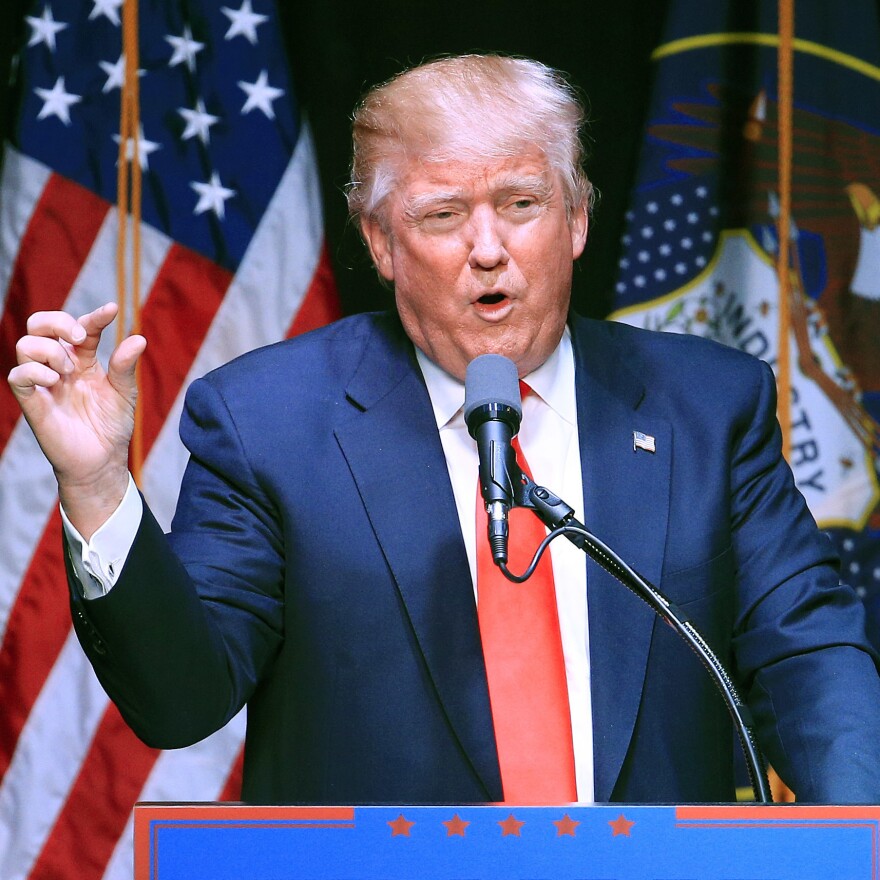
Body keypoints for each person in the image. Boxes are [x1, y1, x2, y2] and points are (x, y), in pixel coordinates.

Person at [10, 54, 880, 806]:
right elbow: (179, 699)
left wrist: (859, 843)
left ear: (576, 219)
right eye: (443, 215)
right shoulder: (268, 422)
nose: (489, 248)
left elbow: (811, 655)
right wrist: (96, 487)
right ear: (382, 242)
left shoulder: (708, 406)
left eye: (522, 202)